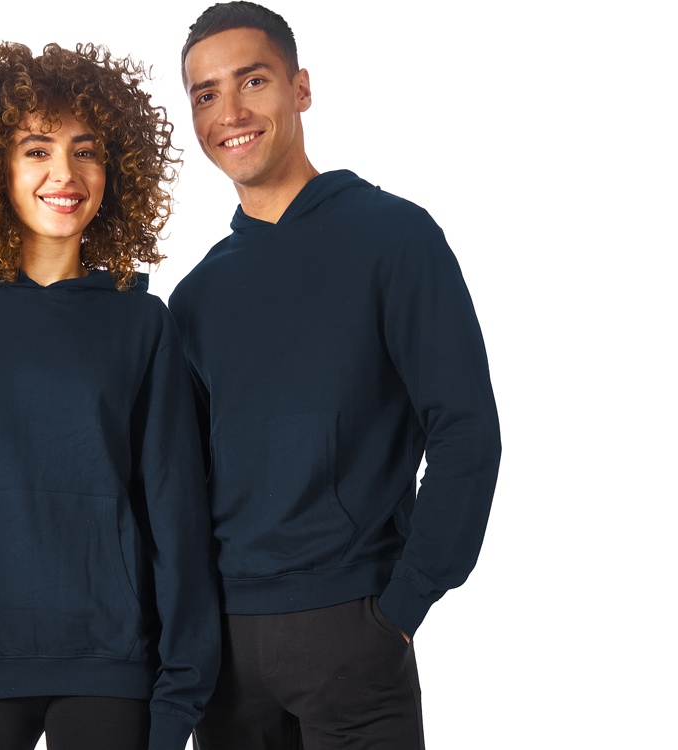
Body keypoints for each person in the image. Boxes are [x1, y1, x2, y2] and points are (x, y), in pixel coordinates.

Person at [168, 3, 502, 748]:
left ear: (301, 88)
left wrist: (402, 608)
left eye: (253, 80)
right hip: (224, 658)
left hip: (355, 633)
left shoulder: (395, 238)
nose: (231, 111)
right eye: (206, 94)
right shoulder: (194, 299)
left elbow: (466, 432)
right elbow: (179, 488)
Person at [0, 41, 219, 750]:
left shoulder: (140, 323)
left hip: (112, 661)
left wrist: (180, 694)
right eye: (37, 150)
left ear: (113, 170)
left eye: (85, 151)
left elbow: (176, 516)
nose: (64, 174)